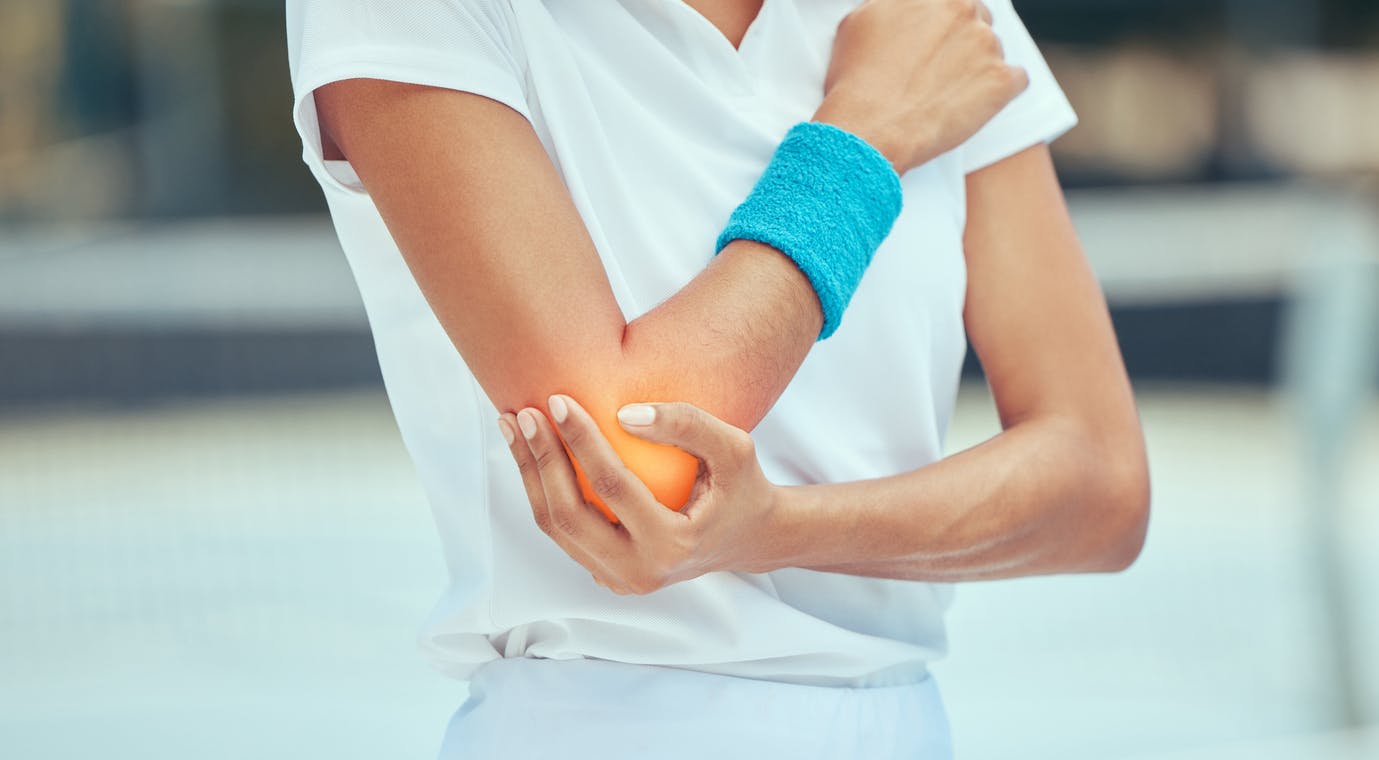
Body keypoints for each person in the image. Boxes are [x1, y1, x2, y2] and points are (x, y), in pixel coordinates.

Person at [285, 0, 1150, 756]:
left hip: (909, 720)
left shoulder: (939, 15)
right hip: (599, 724)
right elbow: (636, 464)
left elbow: (1103, 485)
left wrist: (774, 529)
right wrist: (863, 140)